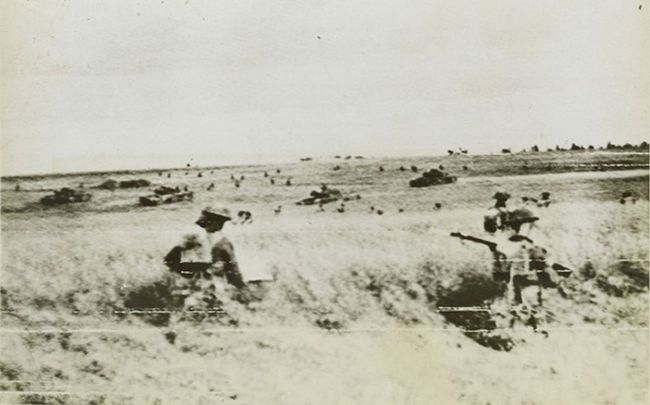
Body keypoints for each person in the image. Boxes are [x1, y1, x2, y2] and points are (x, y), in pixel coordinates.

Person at [164, 206, 246, 317]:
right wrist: (241, 287)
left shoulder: (189, 237)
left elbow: (169, 260)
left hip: (185, 286)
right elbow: (232, 268)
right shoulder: (222, 242)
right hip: (212, 288)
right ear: (220, 222)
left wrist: (184, 274)